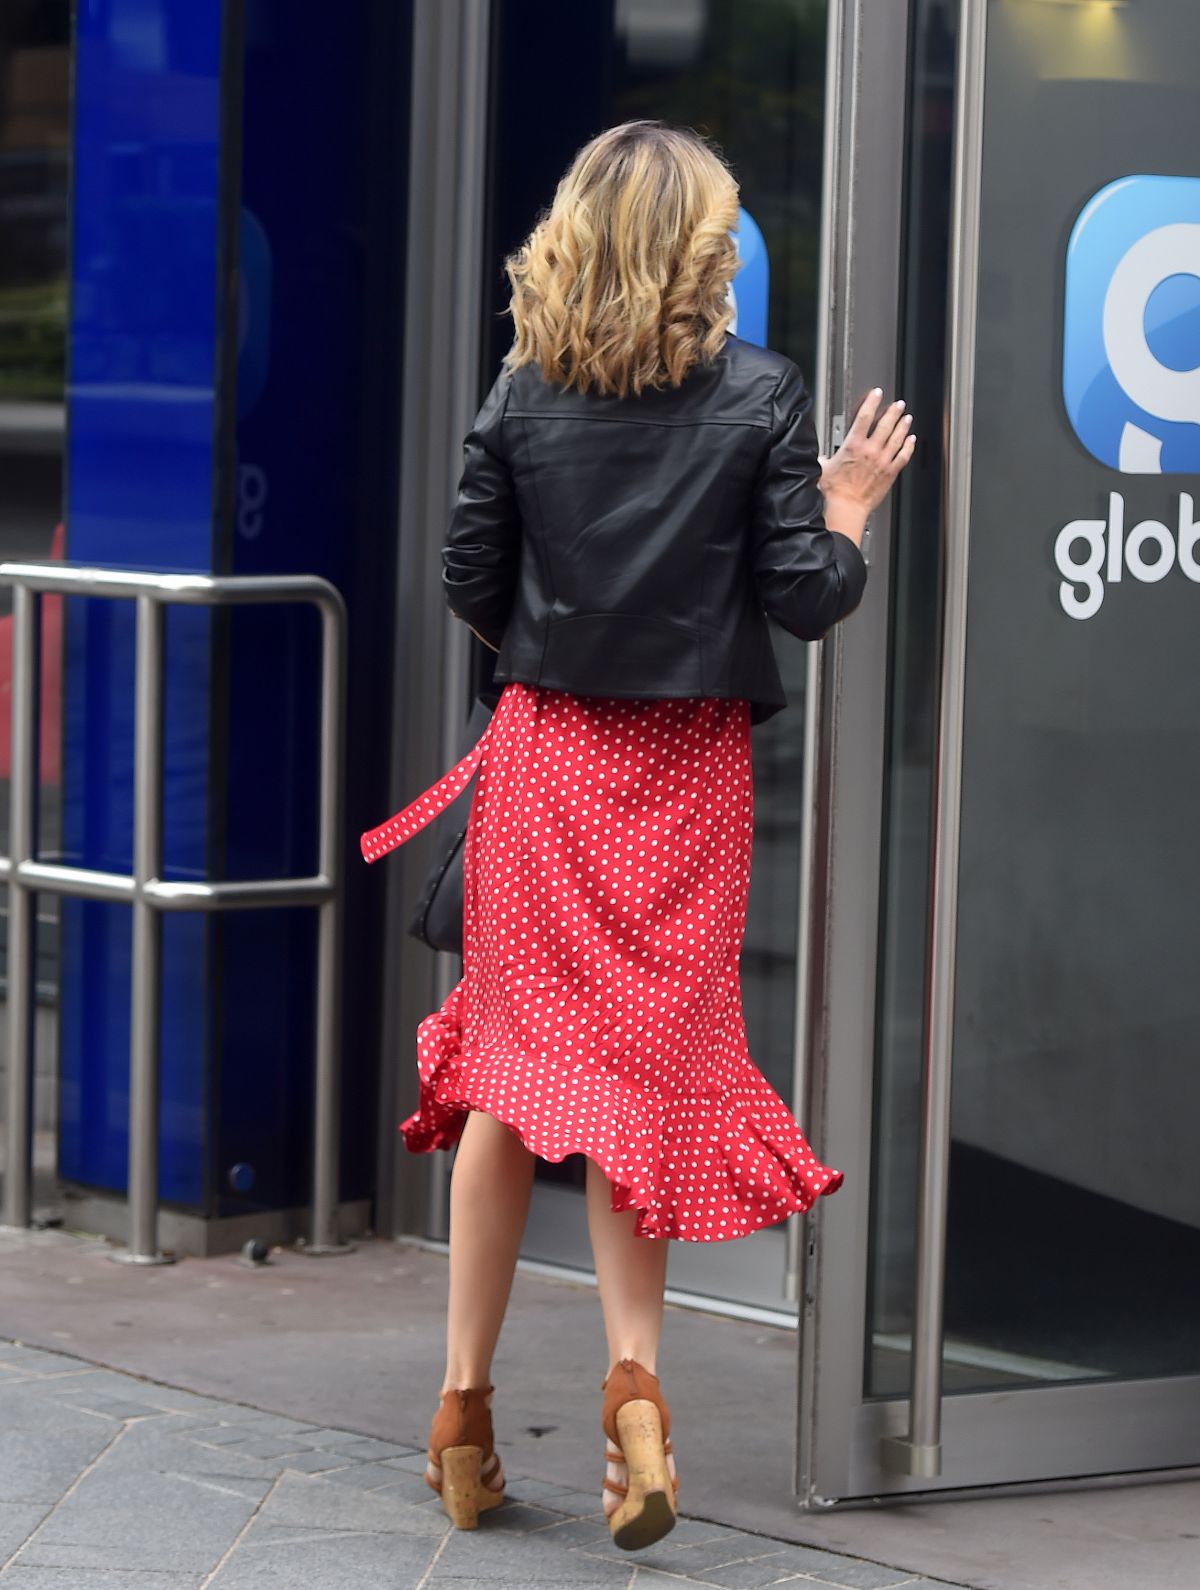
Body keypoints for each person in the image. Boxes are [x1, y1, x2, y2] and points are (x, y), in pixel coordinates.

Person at [360, 118, 914, 1552]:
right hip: (687, 781)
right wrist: (848, 507)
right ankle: (636, 1397)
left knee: (500, 1075)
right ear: (697, 251)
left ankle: (466, 1414)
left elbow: (467, 574)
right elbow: (805, 595)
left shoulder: (523, 387)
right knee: (640, 1091)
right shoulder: (759, 394)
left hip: (548, 761)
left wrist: (555, 651)